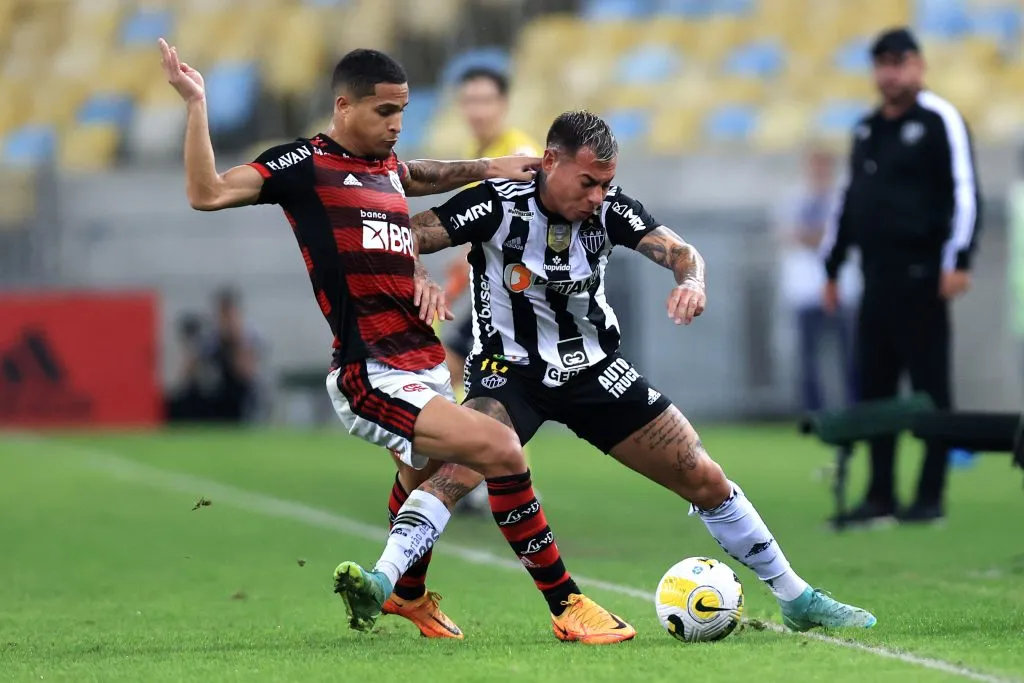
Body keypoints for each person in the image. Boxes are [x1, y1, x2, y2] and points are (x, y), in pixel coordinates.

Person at [338, 110, 877, 638]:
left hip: (594, 370)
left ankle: (796, 598)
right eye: (588, 182)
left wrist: (692, 282)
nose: (597, 195)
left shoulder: (610, 209)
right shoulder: (496, 203)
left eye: (606, 183)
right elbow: (405, 233)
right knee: (455, 474)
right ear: (551, 162)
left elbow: (681, 251)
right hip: (509, 373)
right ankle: (383, 580)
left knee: (704, 476)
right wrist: (418, 272)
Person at [159, 40, 628, 644]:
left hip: (423, 359)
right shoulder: (304, 164)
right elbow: (208, 192)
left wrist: (486, 170)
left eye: (402, 111)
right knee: (500, 448)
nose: (396, 124)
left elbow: (419, 175)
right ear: (344, 106)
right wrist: (196, 105)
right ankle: (567, 605)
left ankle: (406, 594)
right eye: (384, 111)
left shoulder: (383, 165)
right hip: (372, 370)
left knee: (420, 478)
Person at [821, 27, 982, 526]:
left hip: (923, 275)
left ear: (918, 65)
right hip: (875, 278)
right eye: (883, 64)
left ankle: (930, 497)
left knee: (930, 392)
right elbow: (851, 201)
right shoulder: (867, 129)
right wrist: (833, 265)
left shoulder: (939, 120)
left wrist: (959, 260)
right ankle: (880, 496)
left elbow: (965, 191)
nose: (891, 73)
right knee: (875, 391)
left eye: (899, 62)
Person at [445, 66, 543, 514]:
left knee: (496, 382)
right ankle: (494, 473)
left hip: (521, 293)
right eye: (470, 101)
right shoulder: (478, 155)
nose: (477, 110)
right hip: (495, 289)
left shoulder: (518, 153)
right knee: (472, 374)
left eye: (485, 100)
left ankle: (499, 476)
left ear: (503, 104)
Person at [774, 146, 860, 413]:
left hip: (842, 289)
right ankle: (814, 412)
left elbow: (833, 236)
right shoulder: (793, 200)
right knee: (808, 359)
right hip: (805, 291)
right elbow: (790, 235)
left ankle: (854, 410)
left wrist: (810, 235)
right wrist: (818, 234)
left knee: (850, 356)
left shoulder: (844, 200)